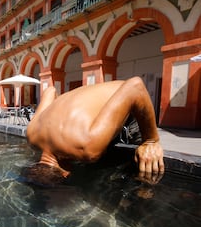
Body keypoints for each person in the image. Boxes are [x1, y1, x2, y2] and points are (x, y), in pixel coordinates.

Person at [26, 76, 164, 186]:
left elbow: (135, 86)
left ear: (65, 174)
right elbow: (50, 91)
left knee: (142, 174)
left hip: (129, 99)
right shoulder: (31, 135)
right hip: (101, 97)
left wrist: (150, 140)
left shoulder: (87, 148)